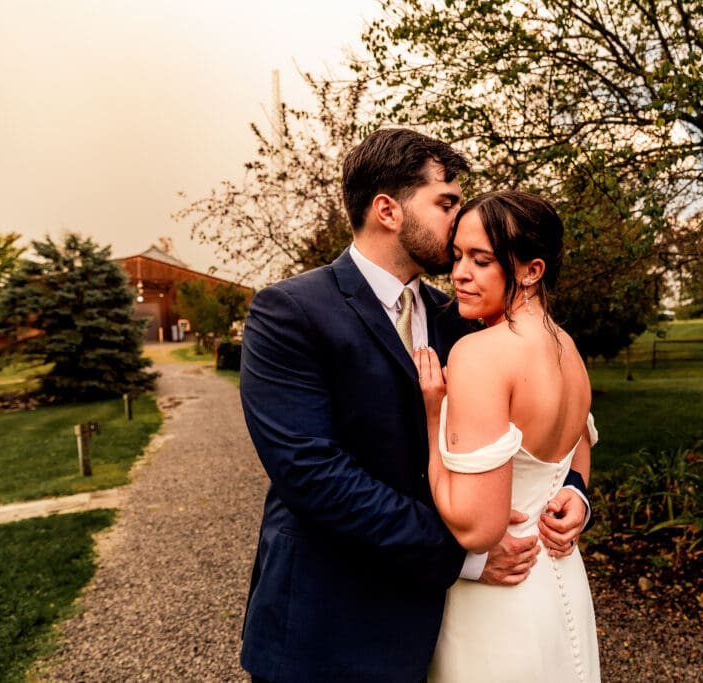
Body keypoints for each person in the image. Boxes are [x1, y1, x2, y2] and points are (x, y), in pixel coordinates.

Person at [238, 129, 592, 682]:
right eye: (447, 203)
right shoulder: (290, 312)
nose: (459, 220)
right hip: (331, 627)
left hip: (439, 628)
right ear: (388, 210)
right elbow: (311, 474)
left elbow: (544, 412)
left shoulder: (461, 318)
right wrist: (464, 557)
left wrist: (573, 489)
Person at [413, 190, 601, 682]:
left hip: (499, 600)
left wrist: (434, 417)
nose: (459, 274)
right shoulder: (568, 349)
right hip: (561, 581)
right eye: (457, 256)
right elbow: (580, 443)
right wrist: (577, 495)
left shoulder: (479, 354)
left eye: (481, 260)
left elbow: (477, 528)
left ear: (531, 270)